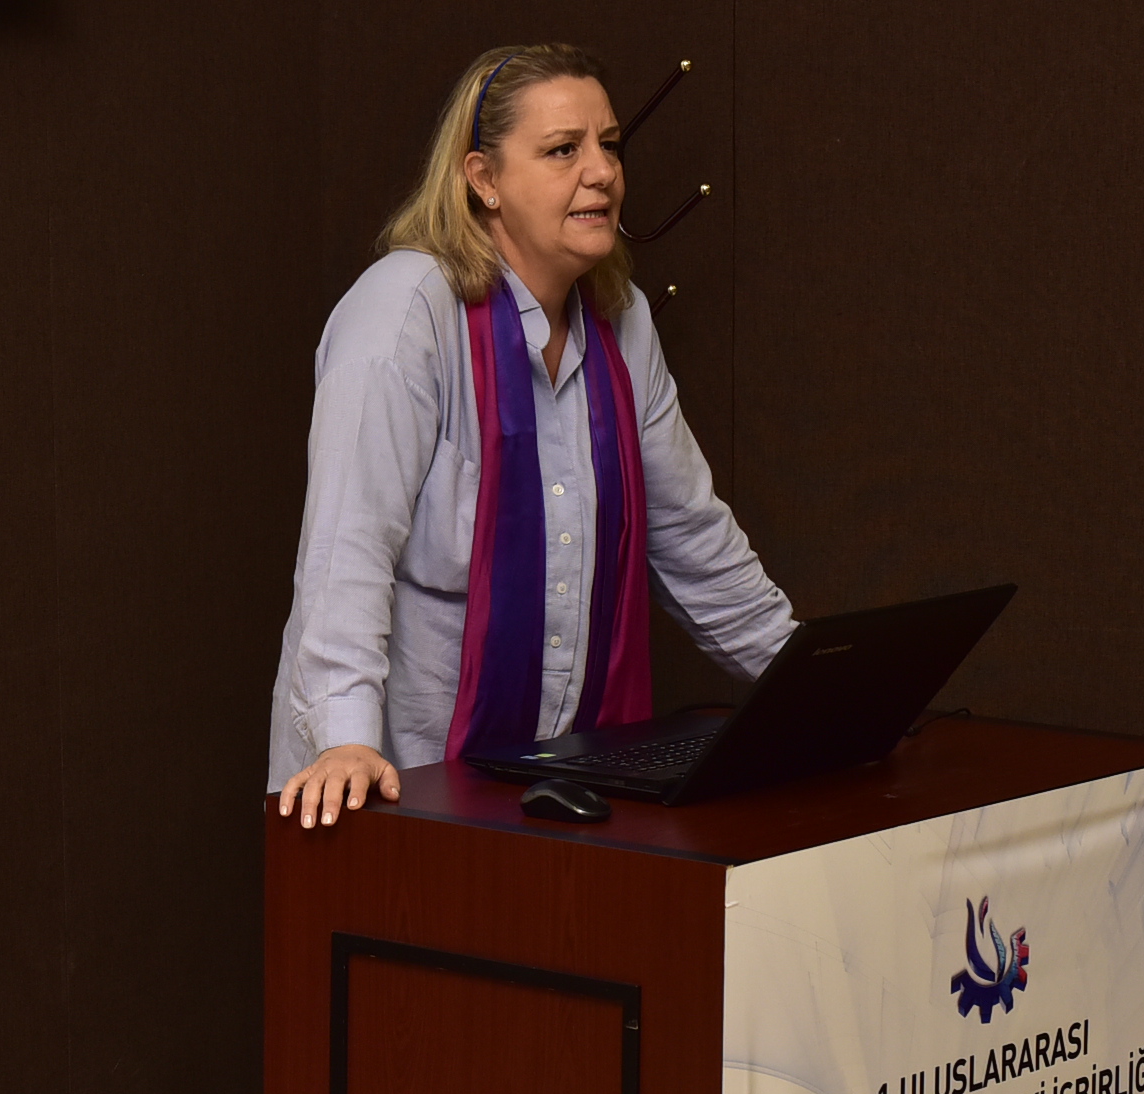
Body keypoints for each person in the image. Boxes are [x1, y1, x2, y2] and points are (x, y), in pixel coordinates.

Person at [267, 42, 795, 827]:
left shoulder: (623, 320)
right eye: (562, 150)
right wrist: (344, 740)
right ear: (484, 179)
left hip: (552, 788)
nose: (602, 172)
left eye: (608, 144)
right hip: (389, 791)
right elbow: (347, 554)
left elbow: (691, 539)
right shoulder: (402, 316)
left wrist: (820, 687)